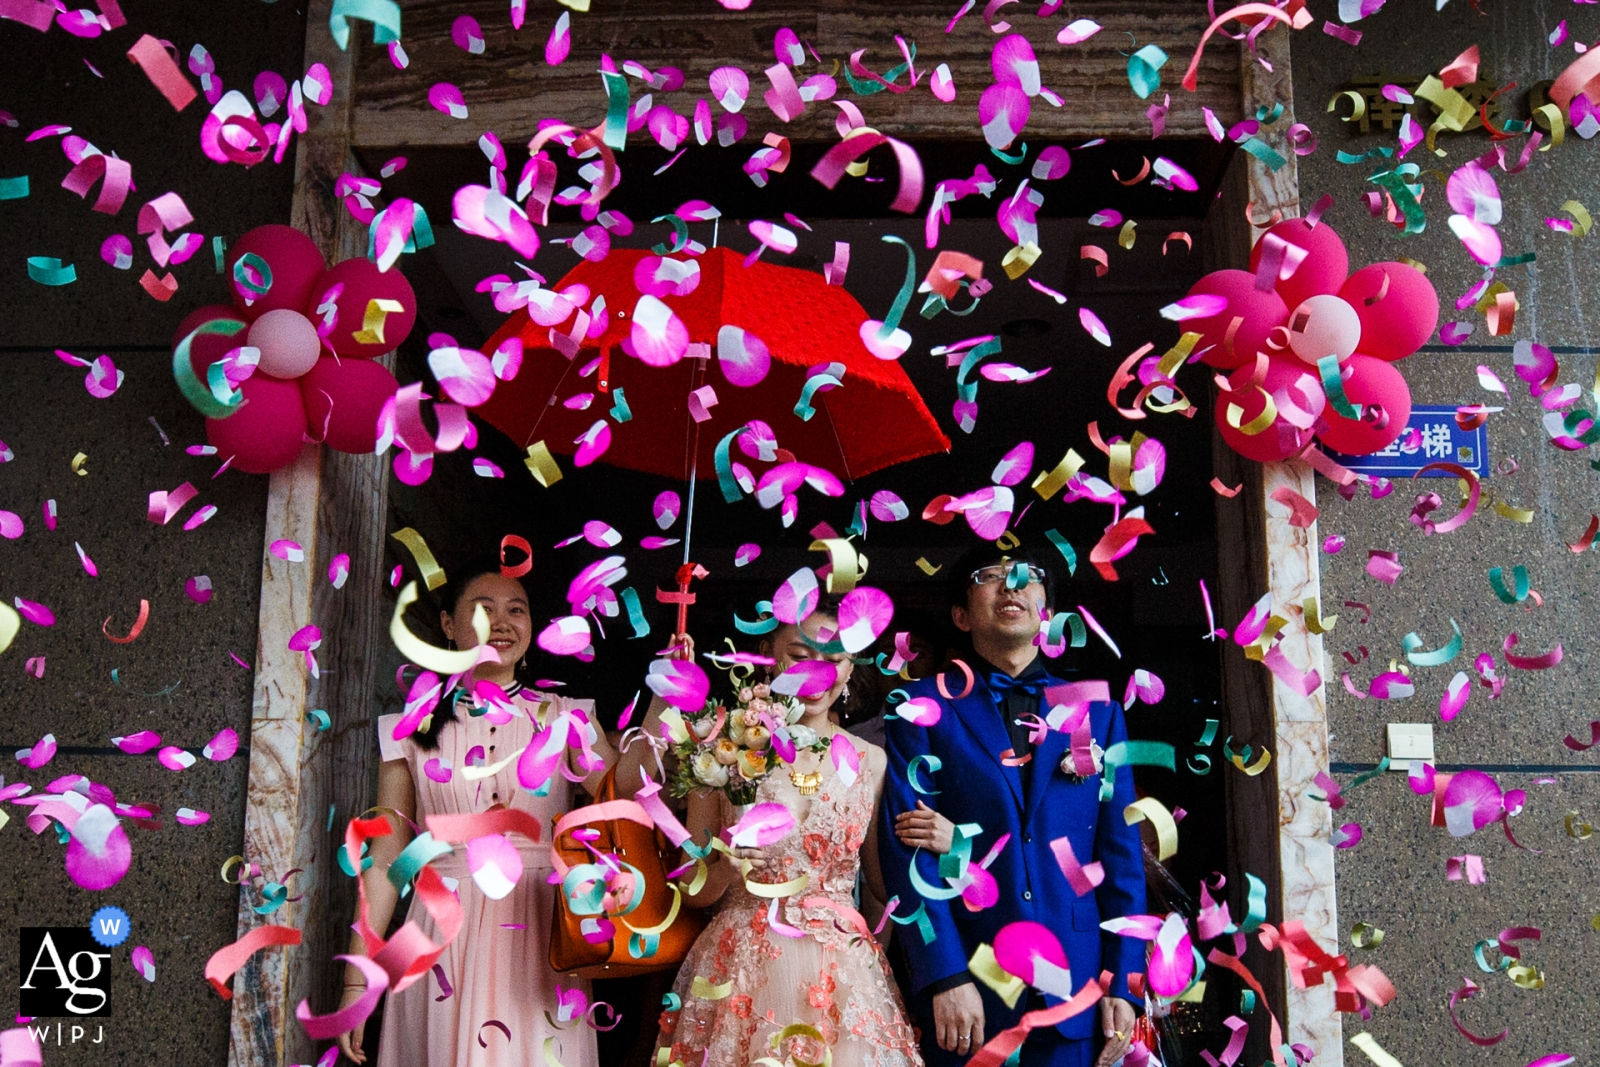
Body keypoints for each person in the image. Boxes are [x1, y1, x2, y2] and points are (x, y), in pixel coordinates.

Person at [335, 555, 617, 1067]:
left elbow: (622, 806)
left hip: (539, 928)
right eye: (484, 609)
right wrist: (357, 979)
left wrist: (667, 706)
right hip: (439, 932)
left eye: (517, 610)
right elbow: (385, 860)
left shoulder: (569, 718)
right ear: (448, 623)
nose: (503, 623)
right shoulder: (410, 729)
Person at [879, 545, 1147, 1067]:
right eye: (990, 576)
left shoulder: (1099, 711)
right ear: (961, 614)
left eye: (1028, 576)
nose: (1012, 585)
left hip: (1080, 991)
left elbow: (1122, 859)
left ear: (1047, 608)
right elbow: (909, 855)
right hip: (972, 996)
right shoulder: (920, 710)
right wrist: (945, 975)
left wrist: (1126, 978)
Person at [655, 603, 924, 1067]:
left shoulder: (870, 762)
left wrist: (938, 849)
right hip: (741, 969)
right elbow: (691, 890)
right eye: (801, 655)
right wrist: (723, 865)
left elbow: (883, 887)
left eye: (835, 659)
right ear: (768, 656)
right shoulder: (721, 750)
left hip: (839, 972)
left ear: (849, 669)